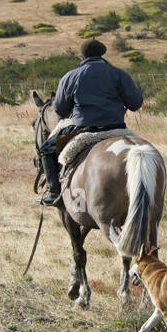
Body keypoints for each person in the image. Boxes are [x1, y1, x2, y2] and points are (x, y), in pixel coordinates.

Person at [38, 39, 143, 206]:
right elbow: (135, 104)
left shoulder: (71, 76)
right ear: (102, 53)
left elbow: (60, 110)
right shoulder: (119, 74)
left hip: (83, 129)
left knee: (46, 150)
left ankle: (53, 192)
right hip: (117, 128)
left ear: (82, 55)